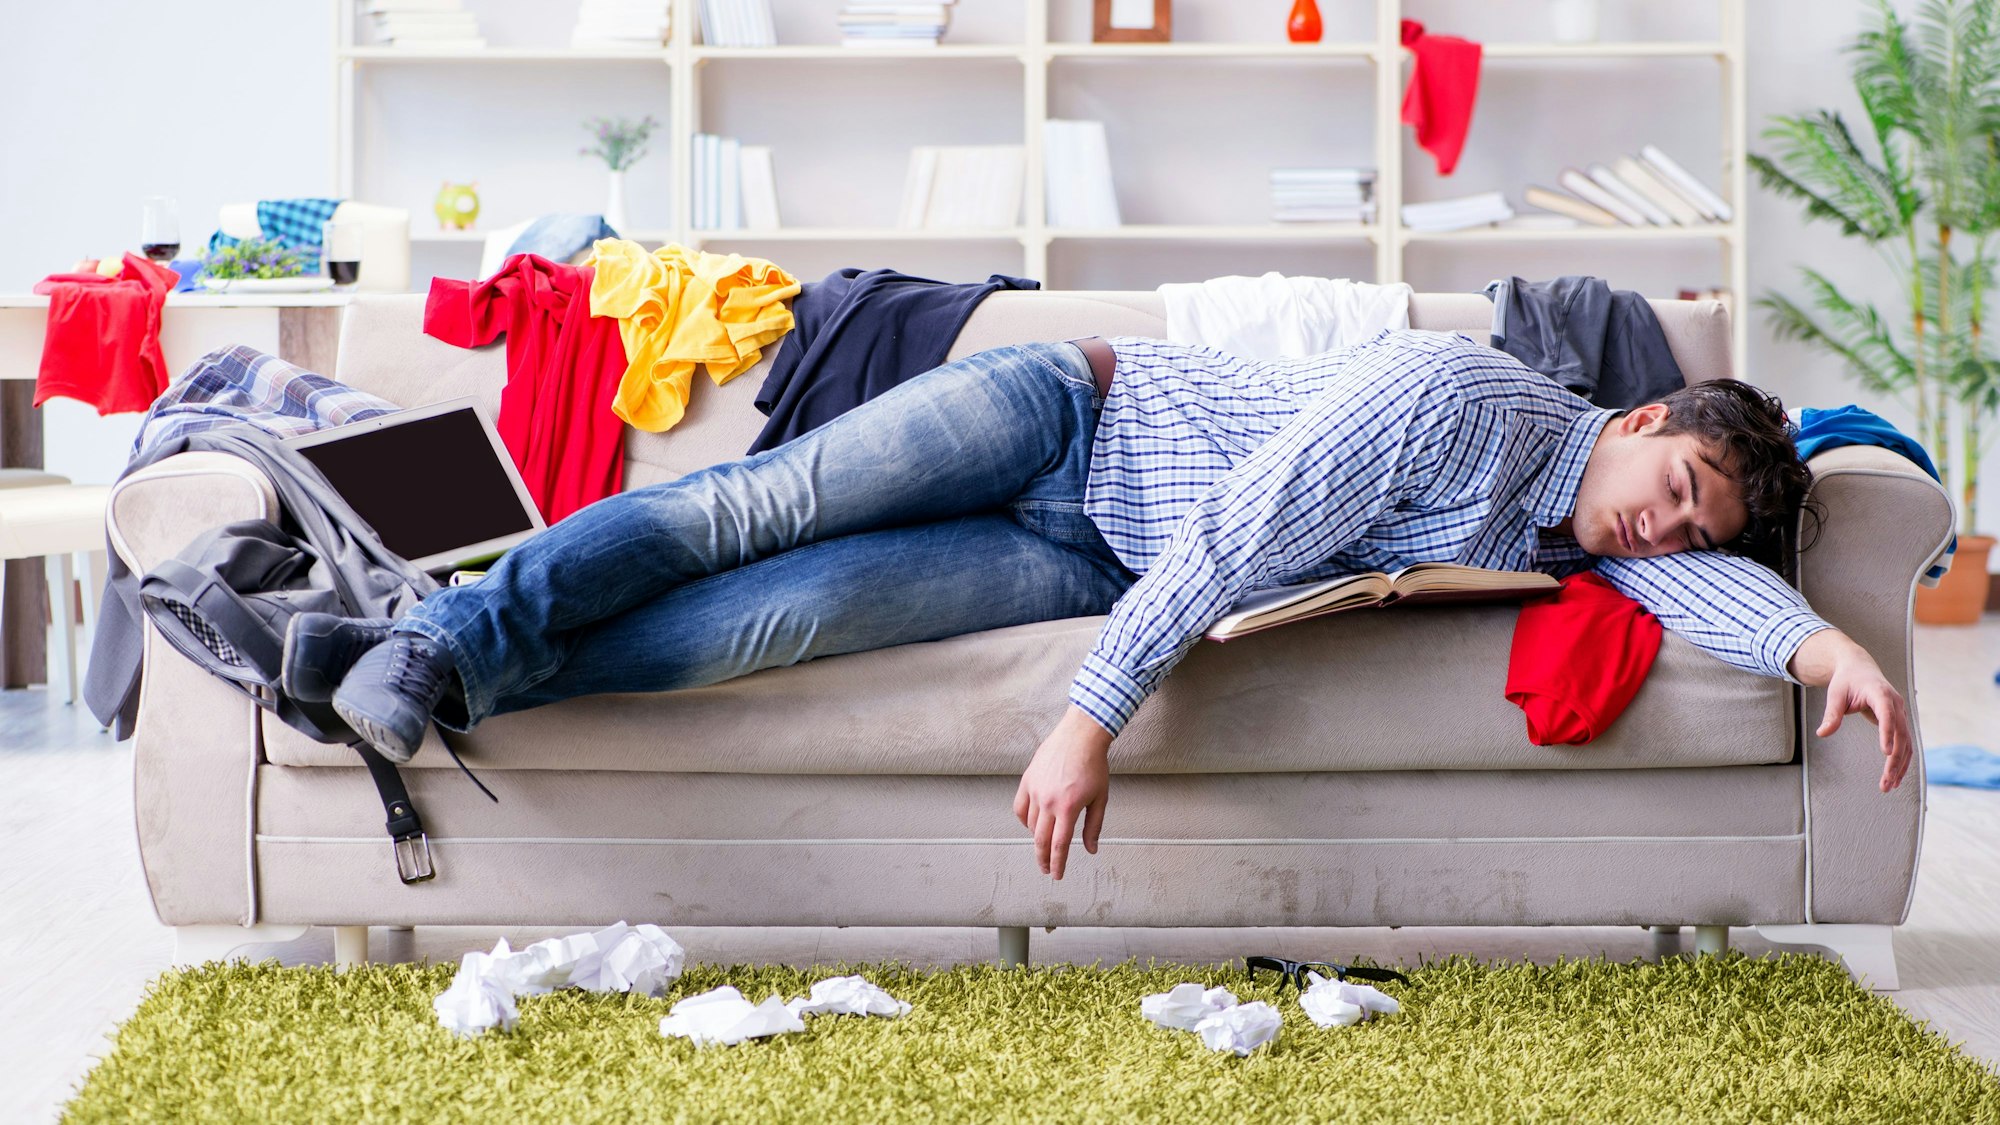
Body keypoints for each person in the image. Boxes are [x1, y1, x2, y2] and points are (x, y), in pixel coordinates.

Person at [286, 330, 1915, 881]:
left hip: (1081, 562)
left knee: (764, 626)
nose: (1667, 523)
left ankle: (403, 673)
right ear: (1641, 425)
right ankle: (446, 636)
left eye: (1690, 523)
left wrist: (1829, 641)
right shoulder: (1458, 395)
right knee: (748, 507)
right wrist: (1088, 718)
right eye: (1679, 484)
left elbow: (1701, 579)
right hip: (1069, 417)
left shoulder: (1582, 539)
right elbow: (1238, 529)